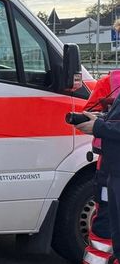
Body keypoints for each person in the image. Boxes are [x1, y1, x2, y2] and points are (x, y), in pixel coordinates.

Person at [82, 70, 120, 264]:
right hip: (109, 164)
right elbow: (89, 113)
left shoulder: (110, 80)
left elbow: (88, 115)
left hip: (109, 164)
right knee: (106, 217)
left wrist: (100, 125)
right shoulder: (110, 80)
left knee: (105, 219)